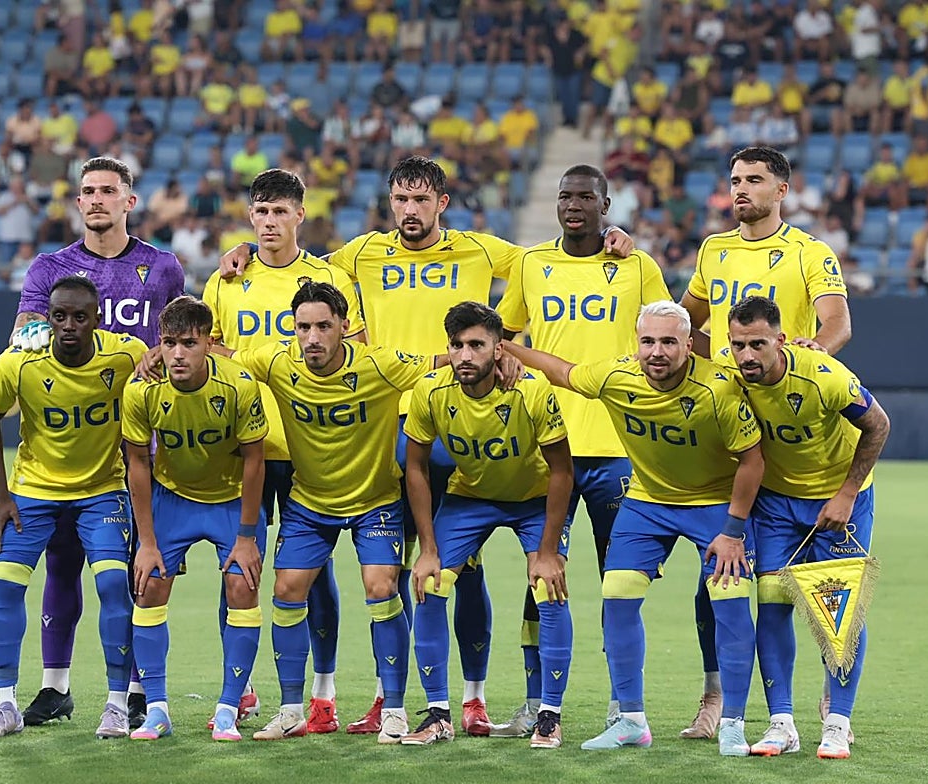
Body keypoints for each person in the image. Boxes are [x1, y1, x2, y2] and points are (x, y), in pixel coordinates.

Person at [219, 155, 634, 736]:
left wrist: (611, 237)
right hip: (395, 428)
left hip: (463, 422)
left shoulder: (482, 250)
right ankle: (399, 699)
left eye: (421, 200)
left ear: (442, 202)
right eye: (400, 200)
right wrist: (242, 248)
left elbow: (556, 258)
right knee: (406, 569)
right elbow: (288, 256)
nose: (409, 211)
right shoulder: (361, 253)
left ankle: (473, 697)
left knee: (466, 570)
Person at [504, 300, 764, 756]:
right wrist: (508, 347)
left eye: (668, 341)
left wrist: (734, 529)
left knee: (729, 599)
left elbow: (752, 460)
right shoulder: (616, 376)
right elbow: (563, 372)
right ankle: (630, 720)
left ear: (689, 345)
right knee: (618, 593)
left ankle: (734, 724)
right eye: (648, 341)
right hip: (648, 501)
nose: (657, 351)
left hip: (714, 503)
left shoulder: (720, 389)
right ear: (636, 343)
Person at [677, 145, 851, 741]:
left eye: (753, 180)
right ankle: (717, 700)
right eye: (734, 180)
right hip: (730, 431)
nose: (740, 189)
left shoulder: (809, 252)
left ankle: (834, 692)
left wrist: (810, 360)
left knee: (818, 589)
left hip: (792, 429)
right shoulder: (714, 249)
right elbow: (685, 322)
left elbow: (836, 325)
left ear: (783, 189)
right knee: (724, 574)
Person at [493, 164, 670, 737]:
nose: (574, 205)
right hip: (549, 446)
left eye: (585, 197)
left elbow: (668, 329)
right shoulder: (532, 263)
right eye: (566, 196)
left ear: (606, 204)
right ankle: (536, 702)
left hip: (620, 447)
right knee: (540, 578)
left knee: (619, 582)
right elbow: (507, 333)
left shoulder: (637, 266)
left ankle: (624, 706)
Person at [12, 156, 185, 731]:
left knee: (135, 568)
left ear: (129, 201)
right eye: (87, 191)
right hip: (67, 447)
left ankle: (136, 688)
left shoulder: (161, 269)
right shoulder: (49, 268)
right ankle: (54, 687)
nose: (96, 200)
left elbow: (174, 345)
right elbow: (26, 340)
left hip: (139, 445)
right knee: (63, 566)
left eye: (108, 190)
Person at [223, 281, 435, 744]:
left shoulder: (380, 364)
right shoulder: (277, 362)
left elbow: (442, 364)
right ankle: (292, 709)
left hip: (374, 500)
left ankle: (394, 708)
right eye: (303, 327)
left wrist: (500, 360)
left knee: (382, 587)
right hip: (309, 503)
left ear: (344, 327)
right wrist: (160, 353)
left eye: (323, 326)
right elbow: (220, 355)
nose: (313, 337)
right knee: (286, 588)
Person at [197, 169, 366, 735]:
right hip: (240, 443)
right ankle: (239, 689)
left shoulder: (325, 276)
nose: (269, 223)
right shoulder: (224, 280)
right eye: (261, 213)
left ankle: (323, 693)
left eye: (280, 212)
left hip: (303, 446)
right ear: (251, 217)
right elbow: (206, 345)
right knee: (236, 565)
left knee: (312, 573)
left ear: (301, 216)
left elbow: (356, 348)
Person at [0, 276, 147, 739]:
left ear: (97, 319)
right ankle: (5, 705)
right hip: (33, 490)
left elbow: (164, 379)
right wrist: (1, 496)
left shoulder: (125, 355)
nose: (68, 326)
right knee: (5, 586)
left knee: (113, 584)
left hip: (102, 491)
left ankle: (114, 705)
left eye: (79, 317)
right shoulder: (21, 362)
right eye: (59, 316)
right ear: (47, 319)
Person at [401, 302, 574, 749]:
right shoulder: (431, 392)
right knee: (430, 582)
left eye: (477, 345)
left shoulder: (532, 392)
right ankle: (439, 714)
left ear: (499, 349)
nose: (465, 356)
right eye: (457, 346)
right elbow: (416, 468)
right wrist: (428, 549)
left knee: (547, 586)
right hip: (470, 497)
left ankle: (549, 715)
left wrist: (550, 551)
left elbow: (561, 471)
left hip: (534, 500)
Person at [725, 296, 889, 759]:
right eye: (738, 345)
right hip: (776, 504)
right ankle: (781, 723)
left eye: (758, 344)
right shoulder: (729, 375)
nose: (747, 356)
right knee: (772, 604)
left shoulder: (823, 376)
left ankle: (837, 722)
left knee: (838, 613)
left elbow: (878, 425)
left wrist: (847, 493)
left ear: (780, 340)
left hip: (839, 502)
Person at [122, 296, 269, 741]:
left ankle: (228, 708)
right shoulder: (141, 389)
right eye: (169, 343)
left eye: (189, 342)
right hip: (173, 499)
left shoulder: (239, 385)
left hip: (231, 500)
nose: (178, 354)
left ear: (208, 342)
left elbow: (254, 461)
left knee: (242, 587)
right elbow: (138, 466)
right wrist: (146, 542)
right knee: (147, 588)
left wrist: (246, 537)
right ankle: (157, 711)